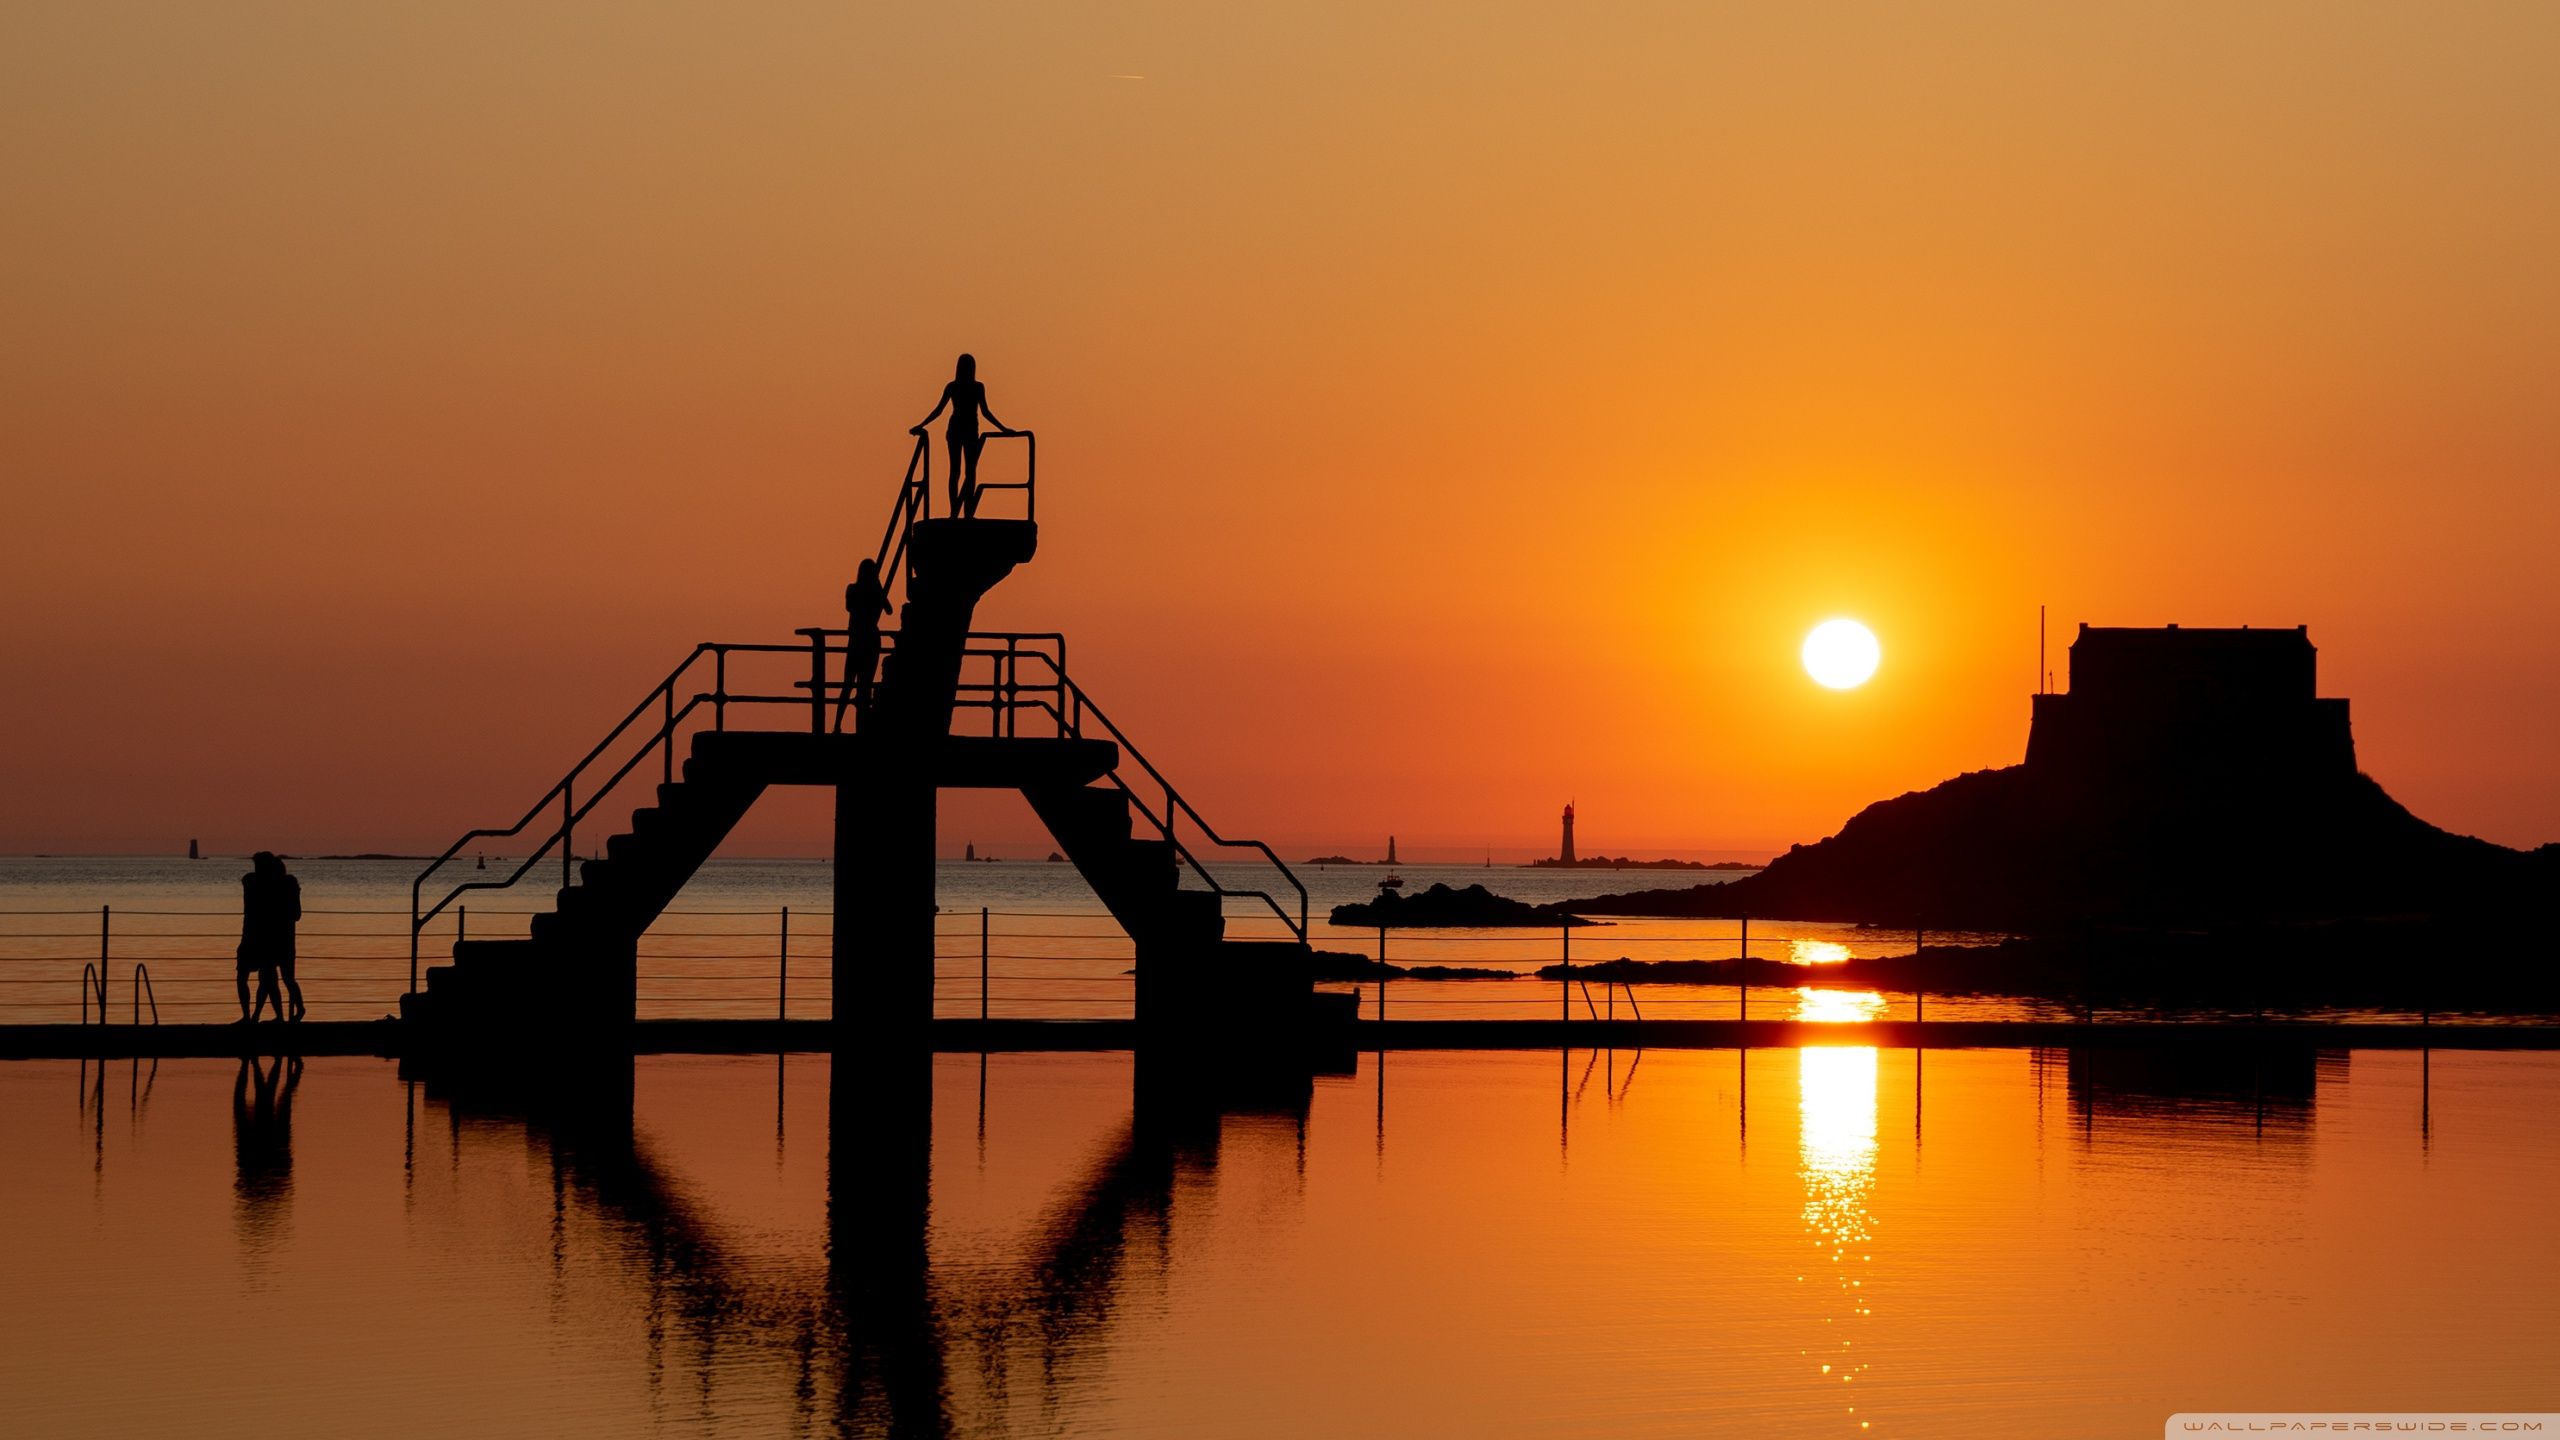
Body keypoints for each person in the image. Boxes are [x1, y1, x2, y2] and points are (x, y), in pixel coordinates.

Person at [912, 353, 1009, 517]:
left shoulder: (960, 387)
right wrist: (922, 424)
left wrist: (1003, 429)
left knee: (960, 471)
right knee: (965, 472)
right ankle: (961, 512)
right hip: (962, 430)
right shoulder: (967, 387)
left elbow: (941, 410)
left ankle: (960, 512)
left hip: (961, 430)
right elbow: (941, 409)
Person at [235, 852, 303, 1023]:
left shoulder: (262, 883)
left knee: (270, 979)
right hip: (265, 937)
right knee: (268, 978)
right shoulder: (255, 881)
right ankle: (258, 1016)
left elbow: (294, 914)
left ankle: (261, 1016)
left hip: (268, 938)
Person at [835, 557, 890, 731]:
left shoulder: (854, 589)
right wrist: (877, 590)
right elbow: (888, 610)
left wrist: (876, 591)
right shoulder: (865, 591)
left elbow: (851, 607)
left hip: (858, 639)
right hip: (868, 639)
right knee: (859, 686)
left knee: (851, 685)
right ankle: (850, 726)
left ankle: (839, 725)